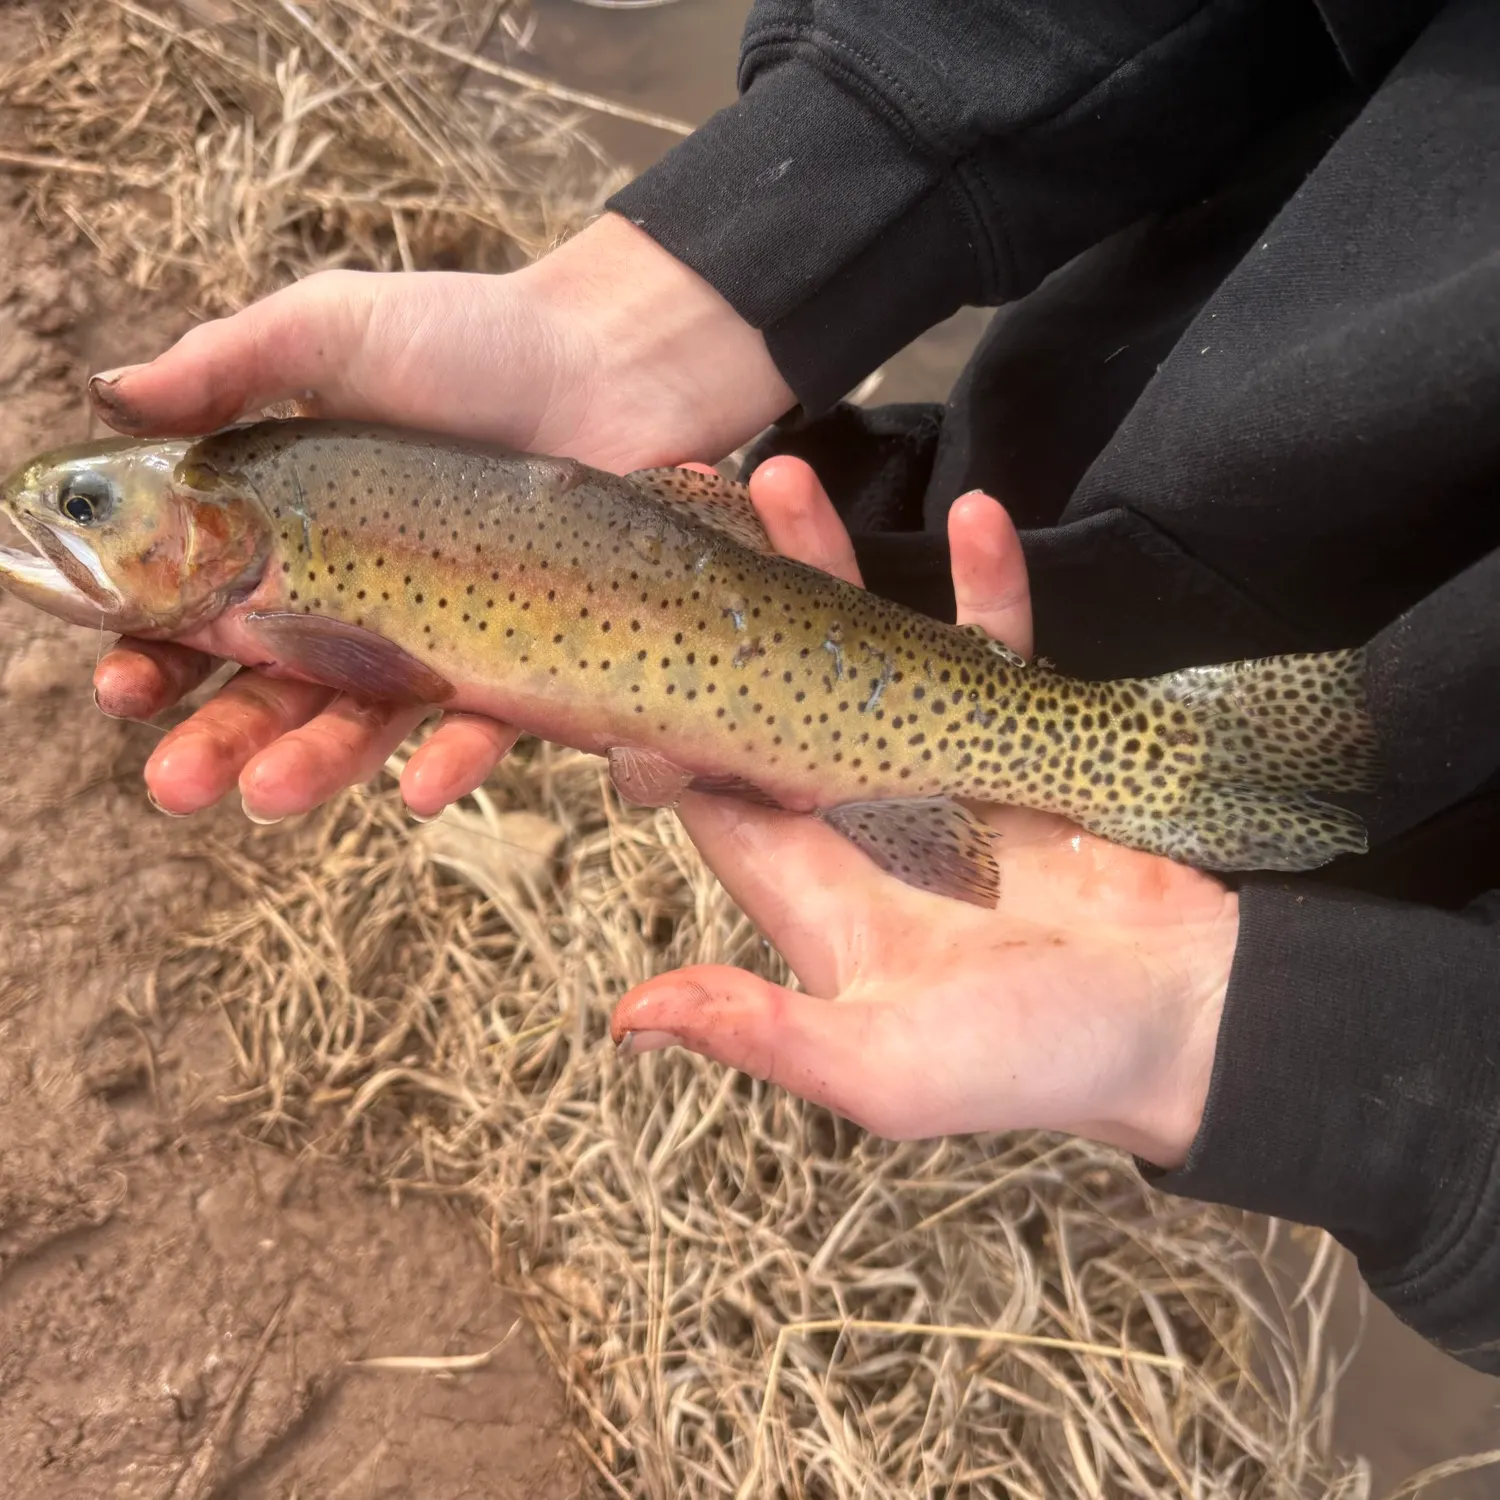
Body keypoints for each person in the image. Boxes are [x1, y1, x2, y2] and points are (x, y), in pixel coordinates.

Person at [85, 0, 1498, 1372]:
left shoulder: (279, 557)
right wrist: (648, 308)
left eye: (88, 507)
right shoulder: (282, 529)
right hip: (1106, 524)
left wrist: (1319, 1074)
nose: (64, 526)